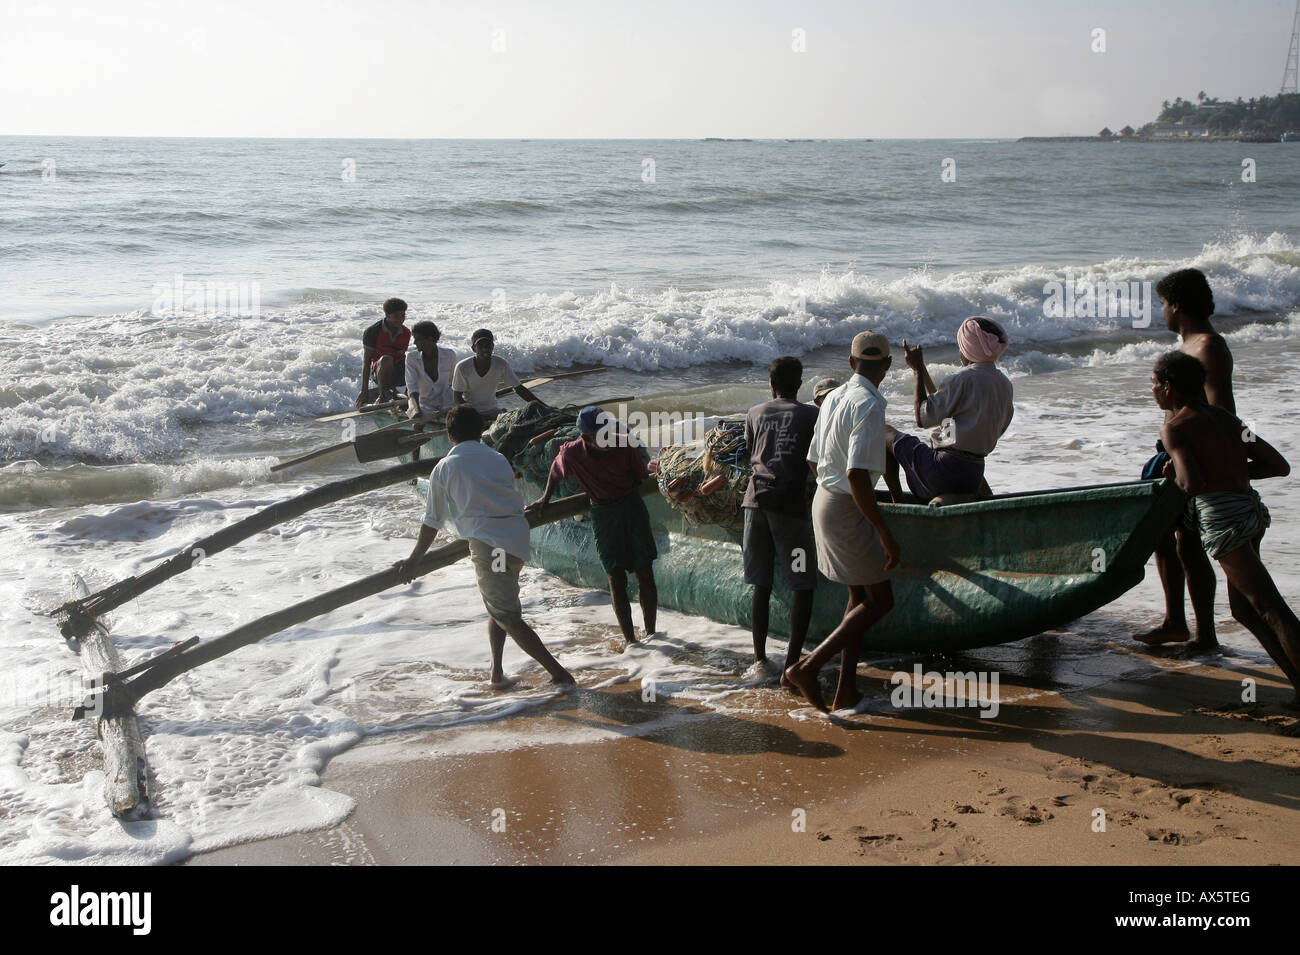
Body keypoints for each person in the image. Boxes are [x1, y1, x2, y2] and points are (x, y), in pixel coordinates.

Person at [1152, 351, 1299, 700]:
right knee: (1245, 609)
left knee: (1271, 609)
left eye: (1155, 384)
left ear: (1169, 387)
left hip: (1224, 521)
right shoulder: (1227, 420)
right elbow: (1278, 464)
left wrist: (1173, 472)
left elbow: (1191, 484)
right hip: (1250, 512)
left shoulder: (1175, 428)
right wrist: (1230, 470)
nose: (1154, 390)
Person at [395, 404, 574, 688]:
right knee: (498, 608)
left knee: (507, 616)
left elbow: (433, 521)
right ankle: (497, 673)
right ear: (480, 432)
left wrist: (414, 559)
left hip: (493, 549)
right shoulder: (497, 458)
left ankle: (559, 673)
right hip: (515, 540)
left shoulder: (444, 467)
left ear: (450, 437)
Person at [784, 332, 901, 712]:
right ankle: (808, 666)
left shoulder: (833, 397)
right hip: (847, 506)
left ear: (851, 364)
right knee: (881, 601)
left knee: (857, 599)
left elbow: (814, 460)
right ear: (886, 366)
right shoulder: (869, 403)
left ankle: (845, 691)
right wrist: (883, 530)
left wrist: (832, 493)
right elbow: (856, 475)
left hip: (823, 500)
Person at [1136, 268, 1235, 650]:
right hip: (1174, 454)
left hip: (1192, 458)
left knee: (1190, 544)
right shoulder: (1188, 344)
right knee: (1164, 537)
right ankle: (1175, 622)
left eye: (1162, 303)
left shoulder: (1208, 346)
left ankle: (1205, 634)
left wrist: (1188, 456)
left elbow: (1222, 411)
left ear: (1176, 305)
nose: (1161, 310)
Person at [527, 407, 658, 648]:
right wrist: (545, 499)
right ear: (585, 438)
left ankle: (651, 634)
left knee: (644, 571)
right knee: (615, 576)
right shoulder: (572, 452)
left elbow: (640, 477)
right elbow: (555, 474)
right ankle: (630, 641)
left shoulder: (625, 445)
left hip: (632, 509)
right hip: (603, 514)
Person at [742, 356, 820, 676]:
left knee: (761, 584)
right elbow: (818, 459)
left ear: (771, 385)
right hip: (790, 511)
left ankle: (759, 659)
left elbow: (751, 453)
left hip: (754, 505)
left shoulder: (754, 412)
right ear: (800, 384)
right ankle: (791, 665)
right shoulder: (813, 414)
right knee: (802, 585)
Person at [884, 317, 1013, 504]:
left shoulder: (962, 379)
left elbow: (923, 418)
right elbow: (946, 411)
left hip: (942, 473)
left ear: (966, 348)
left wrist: (917, 372)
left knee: (884, 432)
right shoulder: (1004, 384)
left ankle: (897, 503)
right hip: (973, 475)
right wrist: (920, 367)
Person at [451, 329, 540, 419]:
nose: (485, 349)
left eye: (487, 345)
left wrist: (542, 406)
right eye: (480, 346)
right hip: (471, 414)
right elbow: (457, 398)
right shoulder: (462, 367)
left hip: (493, 412)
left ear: (492, 346)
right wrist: (475, 415)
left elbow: (519, 388)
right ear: (473, 348)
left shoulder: (501, 364)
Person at [357, 297, 411, 408]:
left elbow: (401, 356)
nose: (401, 319)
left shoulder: (406, 332)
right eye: (396, 316)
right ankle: (382, 396)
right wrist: (364, 390)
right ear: (387, 315)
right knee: (387, 359)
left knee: (415, 358)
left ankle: (408, 394)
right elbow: (367, 362)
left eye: (403, 316)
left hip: (399, 370)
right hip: (380, 370)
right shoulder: (372, 332)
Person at [404, 320, 457, 420]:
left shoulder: (449, 355)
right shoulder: (411, 358)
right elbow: (412, 389)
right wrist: (416, 410)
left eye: (417, 339)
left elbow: (451, 383)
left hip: (447, 404)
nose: (414, 343)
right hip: (424, 406)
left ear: (430, 339)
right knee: (418, 422)